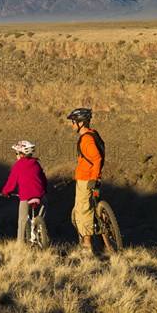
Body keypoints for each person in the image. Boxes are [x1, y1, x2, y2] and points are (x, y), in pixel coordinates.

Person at [66, 108, 103, 253]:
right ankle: (94, 241)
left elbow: (97, 159)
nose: (71, 125)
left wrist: (93, 179)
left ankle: (87, 246)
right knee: (78, 212)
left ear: (81, 122)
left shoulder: (86, 139)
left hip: (86, 180)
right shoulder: (92, 133)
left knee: (83, 211)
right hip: (85, 177)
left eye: (73, 122)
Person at [1, 141, 48, 242]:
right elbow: (43, 178)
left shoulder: (18, 165)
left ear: (21, 154)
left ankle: (20, 244)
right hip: (39, 195)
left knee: (22, 221)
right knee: (45, 202)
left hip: (25, 196)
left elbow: (11, 182)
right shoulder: (36, 164)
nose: (16, 155)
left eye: (16, 153)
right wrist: (44, 189)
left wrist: (5, 192)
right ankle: (39, 221)